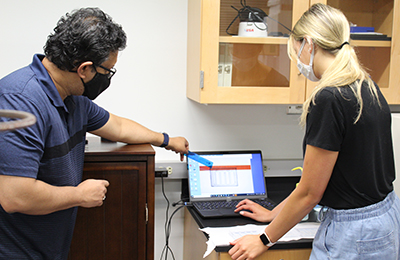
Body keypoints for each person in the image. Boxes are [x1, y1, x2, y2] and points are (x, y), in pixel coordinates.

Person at [0, 7, 189, 259]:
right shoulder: (18, 101)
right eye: (107, 71)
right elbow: (14, 196)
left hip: (50, 247)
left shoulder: (73, 98)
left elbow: (118, 127)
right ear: (85, 69)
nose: (108, 78)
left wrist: (165, 140)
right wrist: (79, 195)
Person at [228, 3, 400, 260]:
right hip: (384, 220)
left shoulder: (329, 98)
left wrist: (263, 239)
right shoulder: (366, 87)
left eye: (295, 52)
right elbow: (324, 179)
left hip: (353, 234)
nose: (298, 64)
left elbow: (310, 193)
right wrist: (274, 213)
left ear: (309, 44)